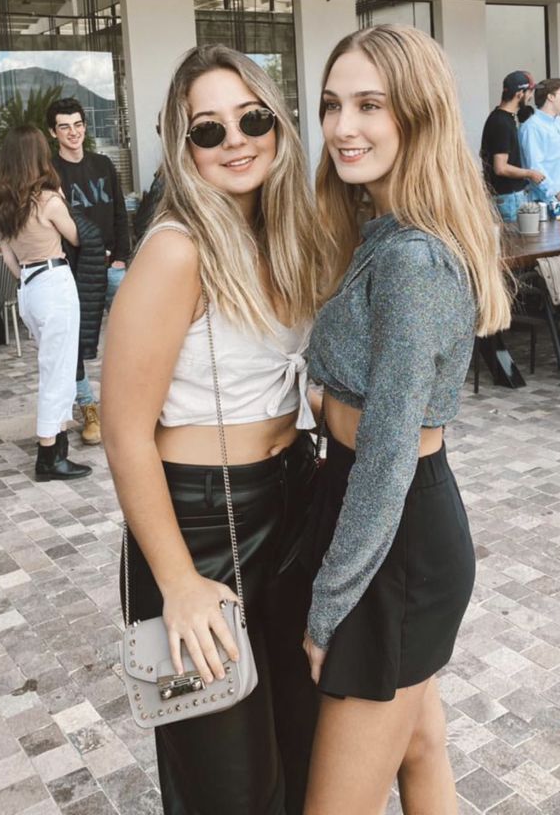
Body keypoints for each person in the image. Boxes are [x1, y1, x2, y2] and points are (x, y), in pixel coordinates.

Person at [101, 45, 321, 815]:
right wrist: (177, 583)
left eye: (251, 117)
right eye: (208, 128)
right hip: (198, 523)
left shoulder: (284, 236)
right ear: (181, 147)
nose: (236, 139)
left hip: (287, 502)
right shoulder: (174, 251)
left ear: (277, 125)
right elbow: (123, 433)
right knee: (226, 787)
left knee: (300, 755)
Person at [300, 25, 511, 815]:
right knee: (420, 751)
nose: (341, 126)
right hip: (377, 516)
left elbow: (387, 452)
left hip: (395, 544)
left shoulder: (412, 260)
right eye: (330, 105)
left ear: (416, 115)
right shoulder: (380, 231)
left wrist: (329, 607)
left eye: (368, 105)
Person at [0, 126, 91, 483]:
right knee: (57, 371)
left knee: (54, 366)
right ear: (37, 156)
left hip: (28, 289)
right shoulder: (48, 200)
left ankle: (59, 443)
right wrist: (62, 197)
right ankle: (48, 455)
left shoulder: (1, 205)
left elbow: (9, 262)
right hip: (54, 282)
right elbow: (78, 236)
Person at [47, 97, 130, 445]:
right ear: (53, 132)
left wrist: (121, 256)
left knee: (133, 334)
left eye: (78, 124)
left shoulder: (103, 164)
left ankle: (133, 406)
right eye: (65, 126)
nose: (73, 132)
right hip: (76, 272)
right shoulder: (50, 173)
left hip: (112, 268)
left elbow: (119, 212)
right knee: (76, 344)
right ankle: (88, 408)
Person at [480, 70, 545, 222]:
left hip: (508, 196)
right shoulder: (501, 123)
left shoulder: (502, 118)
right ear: (519, 94)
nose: (530, 97)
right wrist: (530, 173)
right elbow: (500, 167)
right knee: (516, 244)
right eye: (529, 92)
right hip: (509, 198)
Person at [519, 78, 560, 214]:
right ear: (550, 97)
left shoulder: (559, 122)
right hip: (547, 201)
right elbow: (535, 167)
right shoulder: (532, 127)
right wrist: (556, 192)